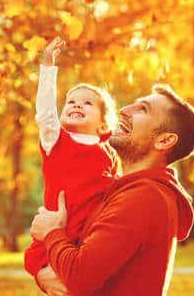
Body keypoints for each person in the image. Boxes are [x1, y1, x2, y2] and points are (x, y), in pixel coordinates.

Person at [30, 84, 194, 295]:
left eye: (142, 109)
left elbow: (79, 276)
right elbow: (70, 270)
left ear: (164, 140)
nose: (125, 110)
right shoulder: (119, 190)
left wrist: (51, 233)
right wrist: (41, 269)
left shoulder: (143, 199)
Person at [24, 37, 121, 278]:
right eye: (71, 102)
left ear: (102, 124)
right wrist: (48, 66)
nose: (77, 105)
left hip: (90, 239)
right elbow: (46, 113)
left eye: (87, 103)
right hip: (58, 235)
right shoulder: (55, 141)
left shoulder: (109, 150)